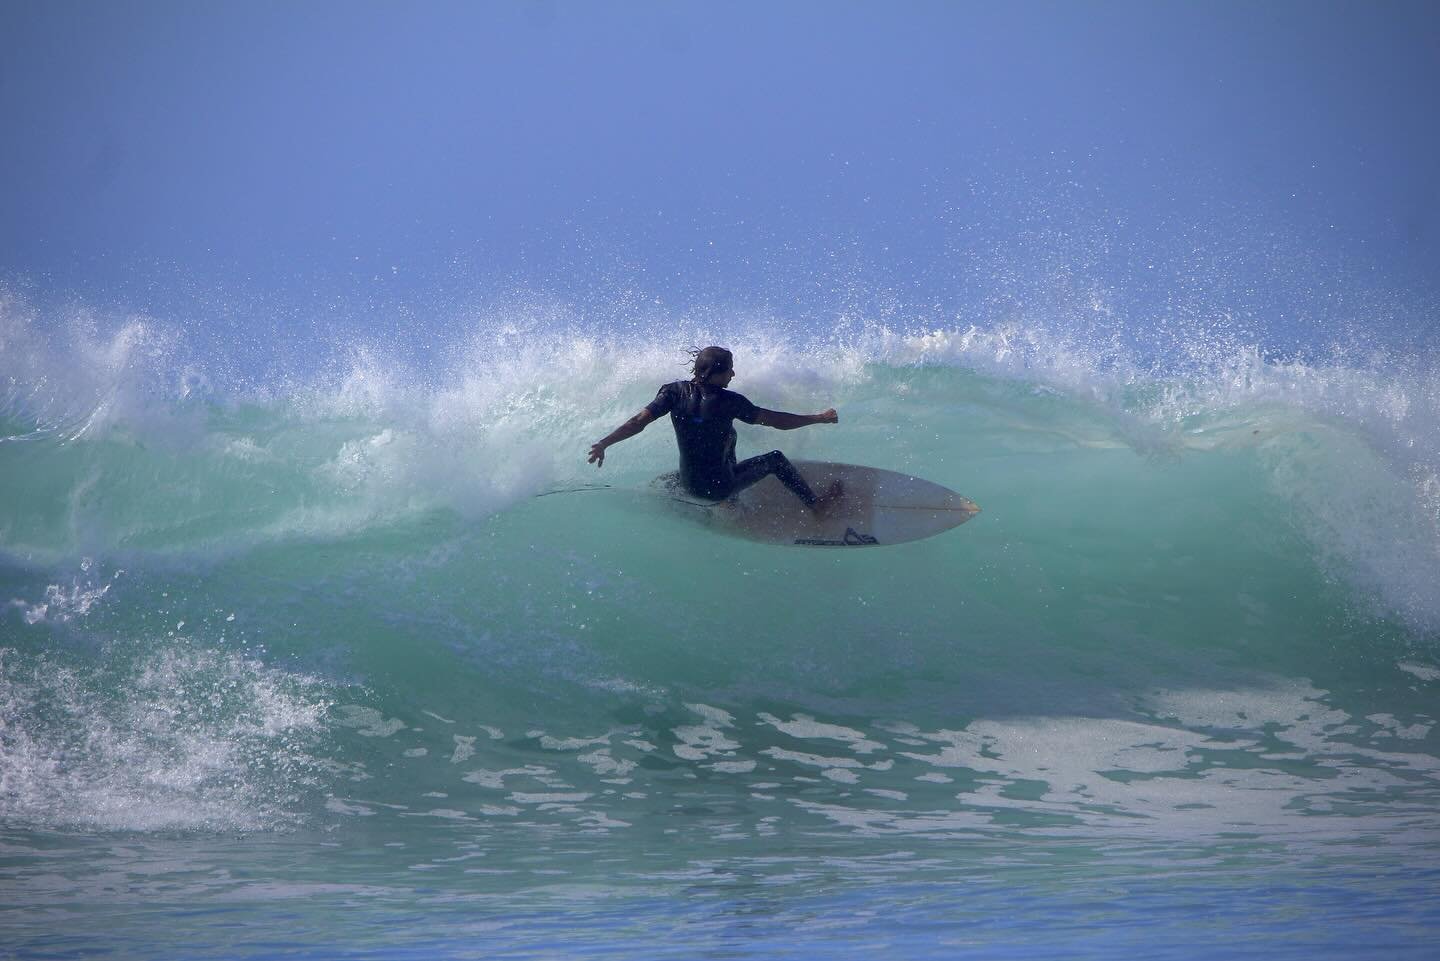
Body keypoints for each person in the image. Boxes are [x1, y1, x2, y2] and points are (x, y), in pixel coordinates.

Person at [587, 346, 843, 512]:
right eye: (729, 369)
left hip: (689, 485)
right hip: (719, 487)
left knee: (724, 436)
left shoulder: (673, 392)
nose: (733, 374)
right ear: (717, 373)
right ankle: (815, 506)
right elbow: (777, 421)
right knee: (775, 459)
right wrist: (818, 417)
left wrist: (604, 444)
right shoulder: (729, 402)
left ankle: (713, 503)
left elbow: (637, 422)